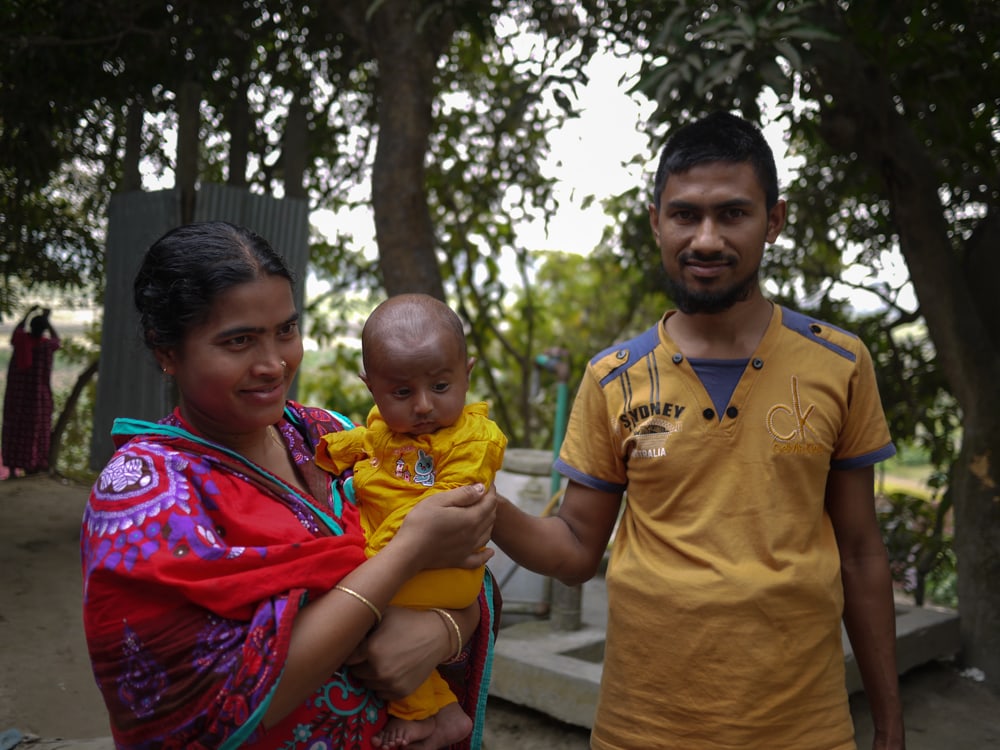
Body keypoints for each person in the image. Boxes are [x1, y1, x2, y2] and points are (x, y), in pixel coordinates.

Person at [491, 112, 905, 750]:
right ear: (656, 219)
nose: (706, 239)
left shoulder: (839, 363)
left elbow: (860, 554)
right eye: (685, 215)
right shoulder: (614, 379)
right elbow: (575, 551)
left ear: (774, 220)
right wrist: (480, 505)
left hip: (805, 730)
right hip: (643, 730)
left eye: (733, 214)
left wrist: (891, 726)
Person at [81, 221, 500, 750]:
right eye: (238, 341)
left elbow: (464, 572)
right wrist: (408, 552)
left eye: (285, 331)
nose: (273, 364)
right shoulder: (145, 496)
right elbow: (214, 703)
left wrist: (444, 628)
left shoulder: (330, 436)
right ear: (167, 351)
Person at [315, 294, 508, 749]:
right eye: (401, 393)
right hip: (409, 560)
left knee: (355, 616)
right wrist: (331, 451)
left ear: (467, 372)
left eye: (441, 387)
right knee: (370, 623)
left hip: (442, 567)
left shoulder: (473, 438)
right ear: (372, 387)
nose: (422, 406)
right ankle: (440, 711)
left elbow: (450, 502)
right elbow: (363, 440)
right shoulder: (388, 429)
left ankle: (424, 713)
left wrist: (381, 552)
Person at [2, 304, 60, 476]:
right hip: (37, 399)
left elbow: (18, 330)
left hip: (16, 397)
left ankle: (12, 468)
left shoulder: (21, 342)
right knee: (35, 430)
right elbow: (57, 340)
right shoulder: (46, 347)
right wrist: (47, 320)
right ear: (43, 330)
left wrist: (28, 313)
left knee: (14, 429)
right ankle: (32, 465)